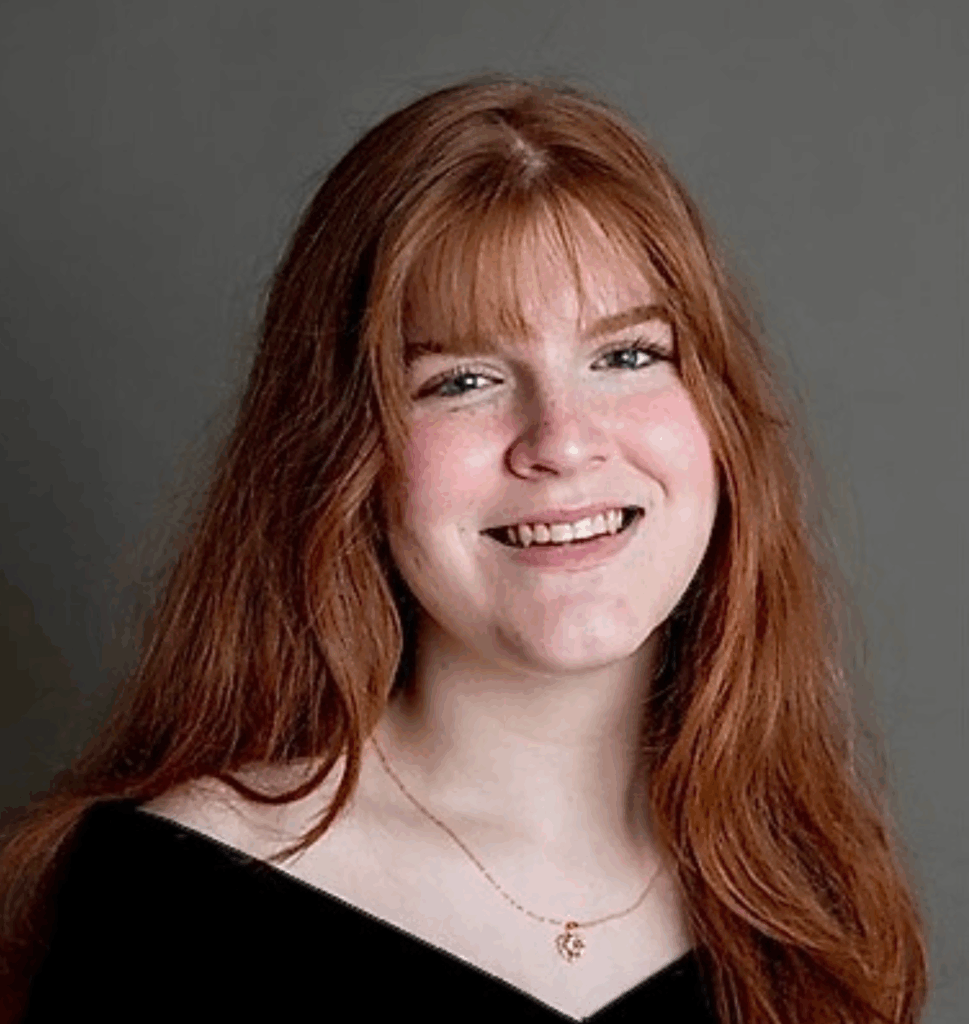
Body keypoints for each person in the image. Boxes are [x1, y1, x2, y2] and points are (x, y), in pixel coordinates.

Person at [0, 76, 928, 1023]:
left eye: (626, 357)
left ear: (720, 416)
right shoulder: (169, 901)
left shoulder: (811, 903)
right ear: (343, 452)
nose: (563, 441)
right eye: (464, 380)